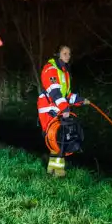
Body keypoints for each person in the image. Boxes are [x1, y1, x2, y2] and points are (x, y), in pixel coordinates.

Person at [37, 45, 89, 177]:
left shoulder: (65, 72)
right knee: (57, 138)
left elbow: (67, 95)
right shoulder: (50, 69)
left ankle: (52, 170)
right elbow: (54, 93)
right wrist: (65, 108)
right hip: (49, 109)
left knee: (57, 139)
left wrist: (81, 100)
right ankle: (58, 172)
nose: (68, 56)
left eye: (69, 54)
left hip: (58, 109)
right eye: (64, 53)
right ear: (58, 54)